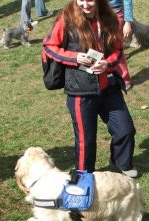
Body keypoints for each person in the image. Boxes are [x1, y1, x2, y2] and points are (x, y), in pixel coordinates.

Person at [43, 0, 138, 177]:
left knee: (125, 129)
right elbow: (49, 47)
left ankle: (122, 162)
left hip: (108, 87)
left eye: (90, 0)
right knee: (86, 141)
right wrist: (74, 57)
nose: (86, 5)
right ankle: (85, 176)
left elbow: (118, 50)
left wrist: (107, 64)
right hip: (80, 91)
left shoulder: (110, 18)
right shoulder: (66, 20)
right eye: (81, 0)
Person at [108, 0, 133, 89]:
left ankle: (124, 79)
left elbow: (127, 1)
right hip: (96, 16)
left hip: (115, 17)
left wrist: (128, 22)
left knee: (117, 49)